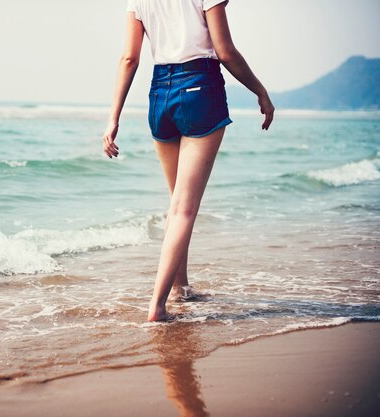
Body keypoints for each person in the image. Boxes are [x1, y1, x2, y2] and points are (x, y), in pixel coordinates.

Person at [102, 0, 275, 321]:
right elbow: (226, 52)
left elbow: (129, 57)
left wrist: (114, 118)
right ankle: (157, 306)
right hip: (200, 87)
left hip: (159, 94)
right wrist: (260, 91)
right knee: (184, 208)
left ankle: (181, 288)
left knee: (176, 203)